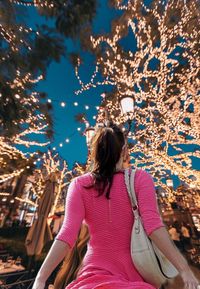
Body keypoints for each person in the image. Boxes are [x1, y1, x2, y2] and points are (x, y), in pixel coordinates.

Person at [32, 122, 199, 289]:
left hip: (92, 276)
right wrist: (184, 270)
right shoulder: (140, 178)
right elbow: (153, 227)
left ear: (93, 152)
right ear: (124, 150)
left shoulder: (79, 185)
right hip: (136, 276)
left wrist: (41, 278)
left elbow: (67, 235)